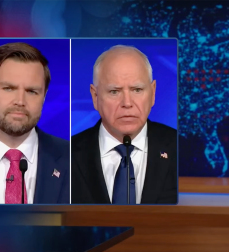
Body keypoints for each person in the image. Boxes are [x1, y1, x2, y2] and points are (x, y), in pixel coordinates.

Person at [0, 42, 70, 204]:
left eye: (32, 91)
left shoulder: (74, 160)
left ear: (44, 96)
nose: (20, 101)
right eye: (8, 88)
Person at [71, 45, 177, 204]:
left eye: (137, 90)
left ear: (153, 93)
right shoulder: (66, 156)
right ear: (95, 96)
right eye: (114, 91)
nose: (127, 103)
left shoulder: (182, 148)